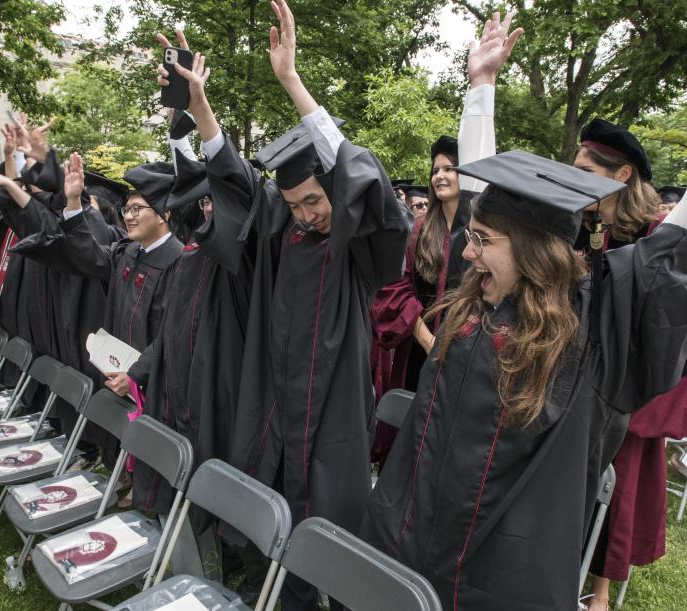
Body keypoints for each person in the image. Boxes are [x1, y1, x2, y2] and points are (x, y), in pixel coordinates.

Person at [360, 13, 687, 609]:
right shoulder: (479, 301)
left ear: (536, 252)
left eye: (483, 240)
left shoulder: (598, 328)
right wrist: (481, 87)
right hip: (408, 538)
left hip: (505, 578)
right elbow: (481, 193)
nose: (468, 249)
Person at [160, 2, 408, 607]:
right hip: (272, 396)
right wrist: (197, 108)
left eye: (315, 200)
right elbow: (238, 180)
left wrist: (292, 83)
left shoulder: (357, 248)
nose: (307, 213)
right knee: (266, 497)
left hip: (334, 408)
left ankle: (317, 591)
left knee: (325, 518)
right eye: (294, 203)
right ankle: (267, 582)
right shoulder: (282, 232)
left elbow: (368, 185)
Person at [368, 12, 519, 467]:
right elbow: (403, 289)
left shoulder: (479, 222)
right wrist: (424, 335)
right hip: (423, 346)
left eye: (449, 167)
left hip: (472, 343)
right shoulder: (422, 229)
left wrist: (482, 86)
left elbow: (481, 171)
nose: (439, 175)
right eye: (434, 169)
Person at [575, 120, 687, 607]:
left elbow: (678, 327)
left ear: (621, 174)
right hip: (574, 374)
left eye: (586, 168)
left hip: (626, 386)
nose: (577, 177)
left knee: (621, 485)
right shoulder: (582, 229)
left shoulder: (656, 237)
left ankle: (602, 591)